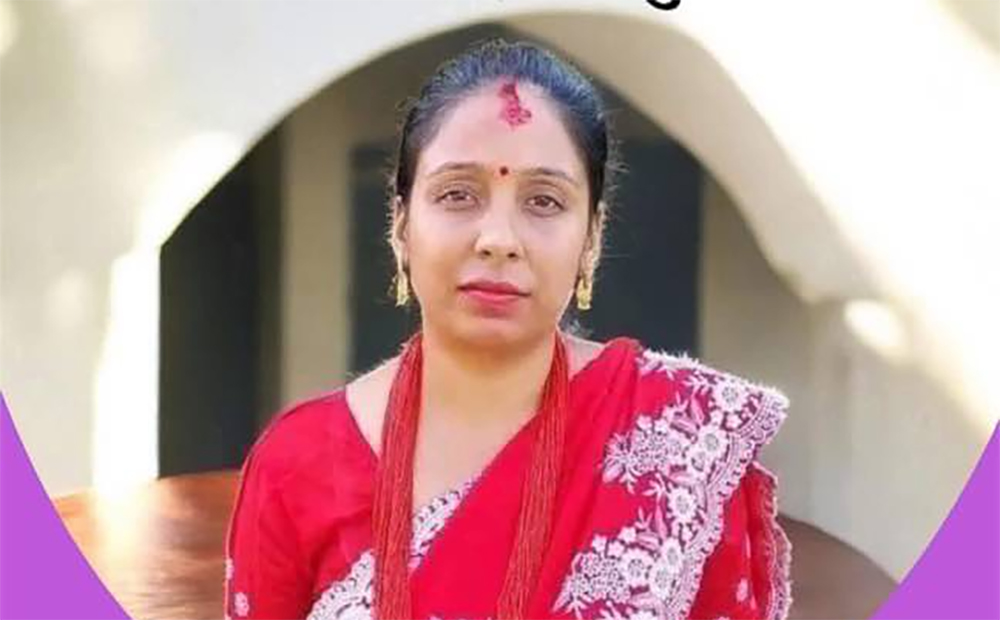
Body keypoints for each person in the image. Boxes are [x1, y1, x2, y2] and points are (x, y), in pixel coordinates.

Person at [223, 38, 792, 620]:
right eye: (457, 194)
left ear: (592, 239)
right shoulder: (297, 465)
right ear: (400, 225)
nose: (498, 239)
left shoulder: (680, 441)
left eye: (543, 201)